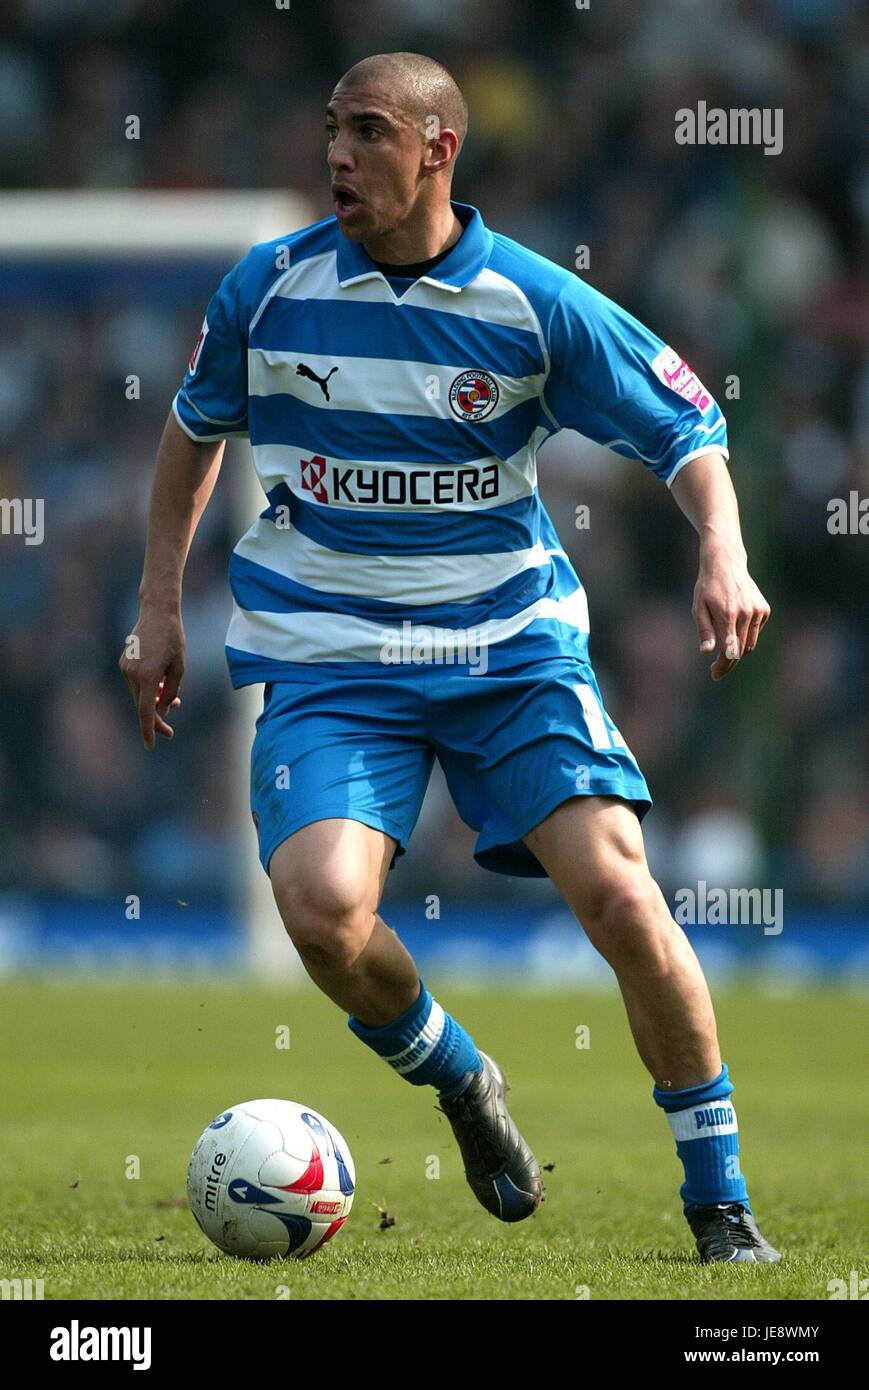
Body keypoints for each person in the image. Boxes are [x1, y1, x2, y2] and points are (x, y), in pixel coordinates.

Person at [120, 51, 779, 1262]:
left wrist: (722, 551)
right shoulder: (267, 288)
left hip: (506, 648)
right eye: (329, 129)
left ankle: (718, 1204)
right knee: (320, 912)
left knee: (624, 896)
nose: (335, 154)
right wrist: (159, 605)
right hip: (330, 655)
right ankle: (463, 1076)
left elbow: (686, 422)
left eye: (366, 132)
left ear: (437, 151)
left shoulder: (531, 300)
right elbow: (191, 432)